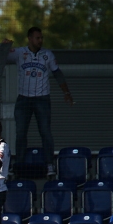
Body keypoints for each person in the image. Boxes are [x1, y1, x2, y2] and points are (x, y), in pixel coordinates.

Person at [6, 27, 74, 177]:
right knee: (21, 133)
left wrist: (66, 92)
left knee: (45, 132)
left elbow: (57, 73)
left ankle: (49, 164)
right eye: (37, 38)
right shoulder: (20, 53)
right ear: (30, 38)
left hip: (42, 99)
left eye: (41, 38)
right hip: (24, 99)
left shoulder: (47, 54)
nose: (40, 40)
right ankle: (18, 165)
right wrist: (4, 46)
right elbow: (2, 56)